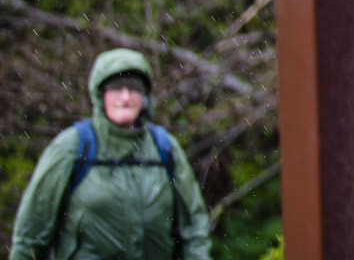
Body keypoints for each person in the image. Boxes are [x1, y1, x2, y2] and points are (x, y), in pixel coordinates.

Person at [10, 48, 212, 260]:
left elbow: (194, 230)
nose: (125, 98)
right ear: (100, 94)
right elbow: (31, 235)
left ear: (145, 96)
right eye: (116, 88)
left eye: (134, 88)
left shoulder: (164, 148)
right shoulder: (72, 147)